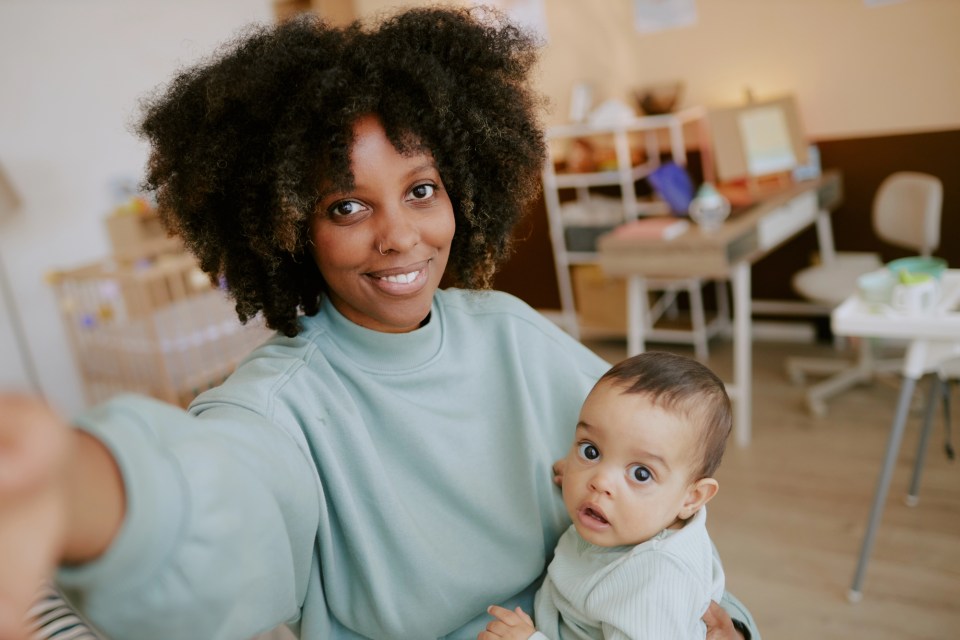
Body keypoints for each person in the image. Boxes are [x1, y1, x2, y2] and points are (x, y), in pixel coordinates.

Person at [0, 7, 757, 640]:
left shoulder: (511, 332)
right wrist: (66, 485)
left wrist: (721, 621)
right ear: (290, 226)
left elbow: (660, 484)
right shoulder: (277, 407)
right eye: (348, 206)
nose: (399, 236)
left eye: (421, 189)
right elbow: (216, 511)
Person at [481, 351, 744, 640]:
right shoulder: (648, 516)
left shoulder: (656, 584)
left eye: (641, 474)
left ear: (692, 498)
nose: (600, 481)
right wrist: (575, 471)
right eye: (591, 450)